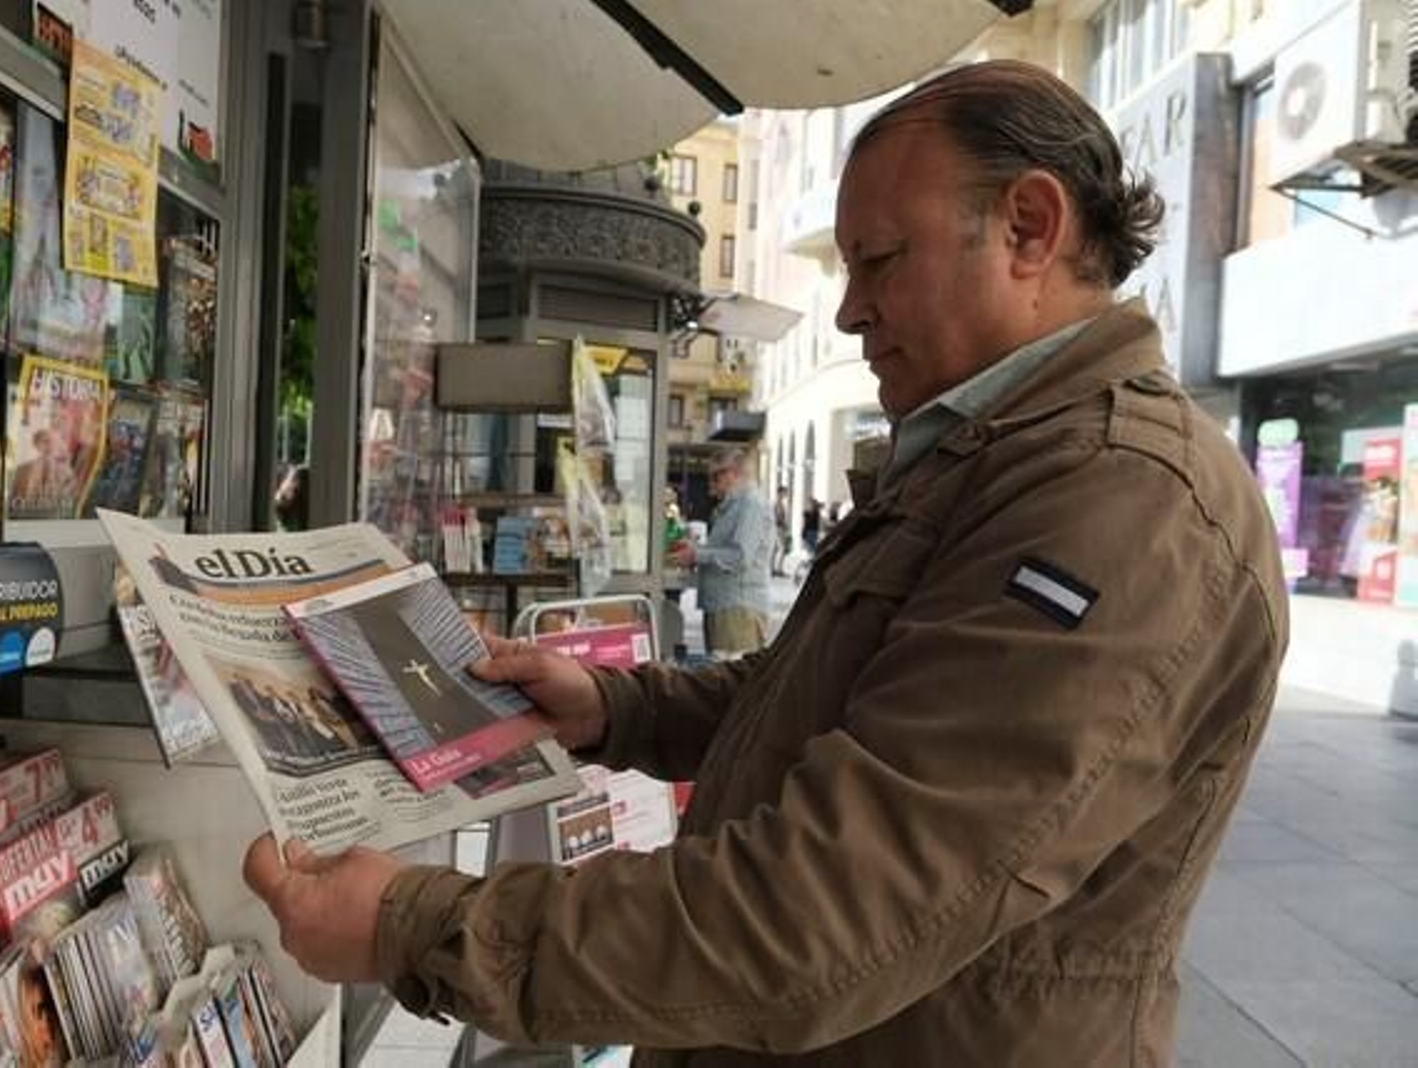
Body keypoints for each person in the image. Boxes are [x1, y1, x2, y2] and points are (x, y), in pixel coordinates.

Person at [242, 61, 1287, 1066]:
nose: (850, 311)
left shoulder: (1120, 497)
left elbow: (829, 912)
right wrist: (614, 710)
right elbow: (830, 695)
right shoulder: (993, 451)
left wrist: (411, 927)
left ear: (1028, 227)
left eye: (880, 260)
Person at [667, 448, 775, 658]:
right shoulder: (731, 507)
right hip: (724, 608)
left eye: (715, 477)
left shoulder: (751, 504)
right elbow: (727, 552)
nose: (710, 485)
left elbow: (740, 557)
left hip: (738, 609)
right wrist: (695, 550)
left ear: (733, 473)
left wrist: (696, 555)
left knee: (733, 682)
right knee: (721, 679)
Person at [771, 485, 790, 575]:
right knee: (783, 549)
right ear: (780, 493)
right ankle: (778, 569)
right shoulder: (777, 504)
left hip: (778, 528)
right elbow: (777, 518)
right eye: (784, 493)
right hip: (778, 529)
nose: (785, 495)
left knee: (775, 549)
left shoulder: (779, 504)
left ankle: (773, 569)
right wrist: (784, 524)